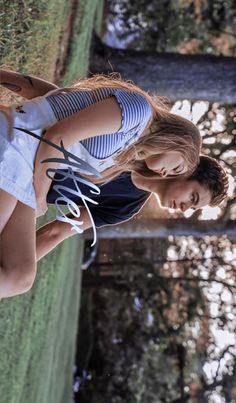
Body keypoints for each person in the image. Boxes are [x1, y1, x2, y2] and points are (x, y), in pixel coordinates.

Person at [0, 69, 202, 298]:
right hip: (17, 145)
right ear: (179, 141)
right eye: (177, 169)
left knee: (21, 276)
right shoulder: (139, 111)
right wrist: (39, 197)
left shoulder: (128, 154)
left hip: (24, 169)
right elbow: (57, 135)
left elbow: (64, 103)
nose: (166, 174)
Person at [36, 155, 229, 261]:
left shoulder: (126, 208)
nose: (185, 208)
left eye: (192, 208)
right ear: (188, 170)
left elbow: (56, 232)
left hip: (24, 195)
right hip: (29, 155)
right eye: (192, 197)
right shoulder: (134, 150)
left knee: (22, 277)